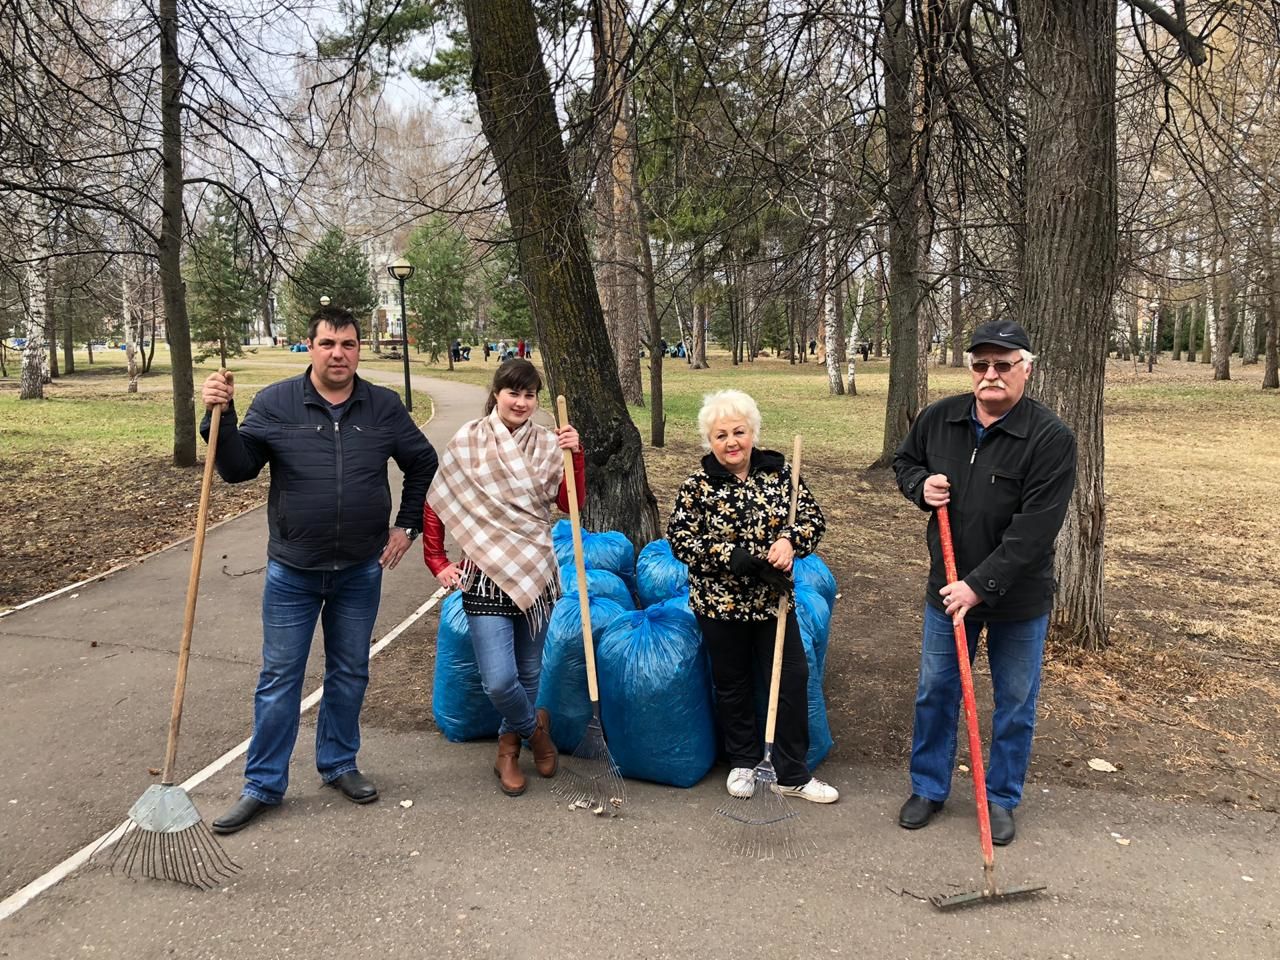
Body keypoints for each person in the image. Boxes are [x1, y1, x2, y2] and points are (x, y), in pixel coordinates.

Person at [199, 306, 438, 834]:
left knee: (349, 672)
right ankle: (262, 784)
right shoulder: (277, 402)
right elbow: (238, 470)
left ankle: (338, 764)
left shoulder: (382, 406)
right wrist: (219, 415)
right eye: (328, 343)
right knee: (280, 677)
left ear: (359, 348)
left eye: (348, 344)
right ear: (310, 346)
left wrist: (406, 525)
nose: (338, 354)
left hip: (359, 569)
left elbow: (422, 462)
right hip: (294, 571)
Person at [892, 319, 1076, 845]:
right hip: (946, 590)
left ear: (1026, 369)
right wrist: (918, 485)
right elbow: (906, 462)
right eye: (981, 365)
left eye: (1003, 364)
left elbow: (1034, 533)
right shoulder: (939, 418)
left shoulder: (1050, 439)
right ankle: (928, 787)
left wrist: (978, 586)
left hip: (1016, 597)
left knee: (1016, 701)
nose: (990, 374)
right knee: (936, 691)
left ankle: (1000, 799)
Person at [423, 359, 585, 797]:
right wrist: (437, 560)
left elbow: (570, 503)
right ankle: (536, 731)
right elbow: (437, 499)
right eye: (513, 392)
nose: (521, 402)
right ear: (496, 393)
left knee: (529, 672)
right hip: (484, 572)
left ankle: (507, 750)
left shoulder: (550, 444)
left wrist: (576, 455)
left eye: (530, 395)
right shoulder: (469, 440)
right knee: (499, 679)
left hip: (536, 569)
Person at [667, 390, 837, 805]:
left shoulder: (781, 476)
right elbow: (680, 539)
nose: (731, 442)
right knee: (733, 683)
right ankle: (743, 761)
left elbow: (813, 520)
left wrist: (790, 540)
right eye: (720, 435)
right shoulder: (698, 485)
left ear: (753, 433)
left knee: (792, 678)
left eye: (739, 432)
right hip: (719, 604)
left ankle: (792, 772)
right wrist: (731, 556)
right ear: (709, 441)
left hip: (773, 603)